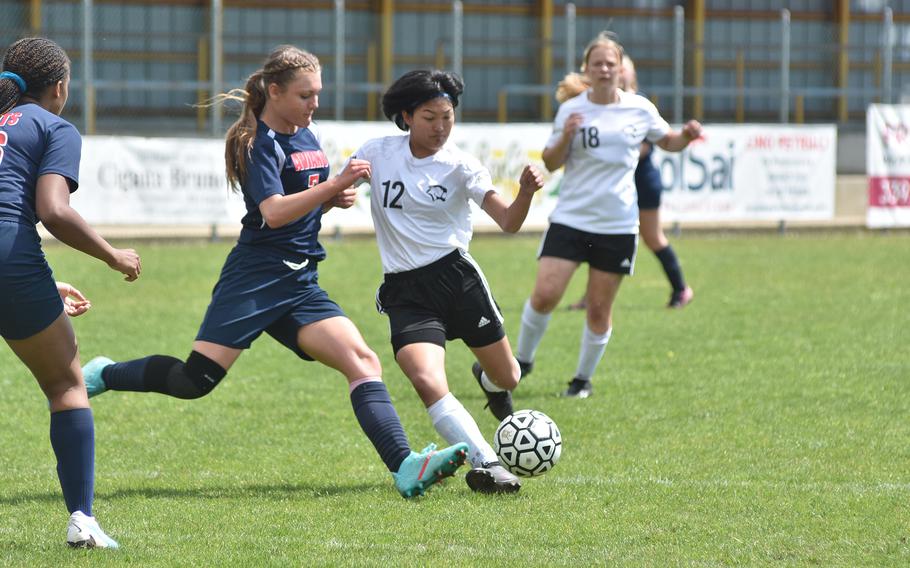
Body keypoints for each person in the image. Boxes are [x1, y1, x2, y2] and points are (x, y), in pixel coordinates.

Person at [80, 45, 467, 499]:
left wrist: (330, 197)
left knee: (362, 361)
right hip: (256, 278)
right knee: (195, 381)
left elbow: (306, 192)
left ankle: (405, 466)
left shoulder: (307, 132)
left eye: (318, 94)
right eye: (305, 96)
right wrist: (335, 185)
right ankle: (106, 373)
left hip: (300, 281)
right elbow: (274, 212)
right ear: (275, 92)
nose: (314, 104)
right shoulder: (255, 143)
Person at [351, 69, 545, 494]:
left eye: (447, 116)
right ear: (405, 116)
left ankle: (489, 382)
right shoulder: (376, 153)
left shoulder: (460, 166)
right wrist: (338, 192)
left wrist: (526, 193)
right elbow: (336, 188)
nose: (440, 127)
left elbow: (509, 221)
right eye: (429, 117)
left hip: (458, 281)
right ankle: (488, 463)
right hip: (405, 290)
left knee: (508, 376)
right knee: (425, 379)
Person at [0, 37, 142, 549]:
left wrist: (42, 282)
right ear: (60, 86)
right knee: (66, 386)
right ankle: (82, 521)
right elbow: (53, 211)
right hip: (10, 260)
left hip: (14, 264)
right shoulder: (54, 126)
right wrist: (113, 255)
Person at [515, 33, 702, 399]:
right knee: (544, 295)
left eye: (610, 63)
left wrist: (688, 136)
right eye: (597, 63)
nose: (604, 69)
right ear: (586, 69)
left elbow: (669, 142)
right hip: (570, 219)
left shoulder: (639, 108)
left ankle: (581, 380)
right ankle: (521, 361)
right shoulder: (571, 110)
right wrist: (567, 137)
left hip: (616, 225)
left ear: (621, 69)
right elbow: (551, 162)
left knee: (599, 309)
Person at [567, 54, 693, 311]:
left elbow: (645, 147)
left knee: (653, 237)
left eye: (620, 68)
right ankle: (591, 296)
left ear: (630, 75)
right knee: (597, 237)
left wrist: (607, 154)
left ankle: (681, 288)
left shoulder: (639, 106)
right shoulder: (601, 104)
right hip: (613, 186)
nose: (614, 71)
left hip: (642, 181)